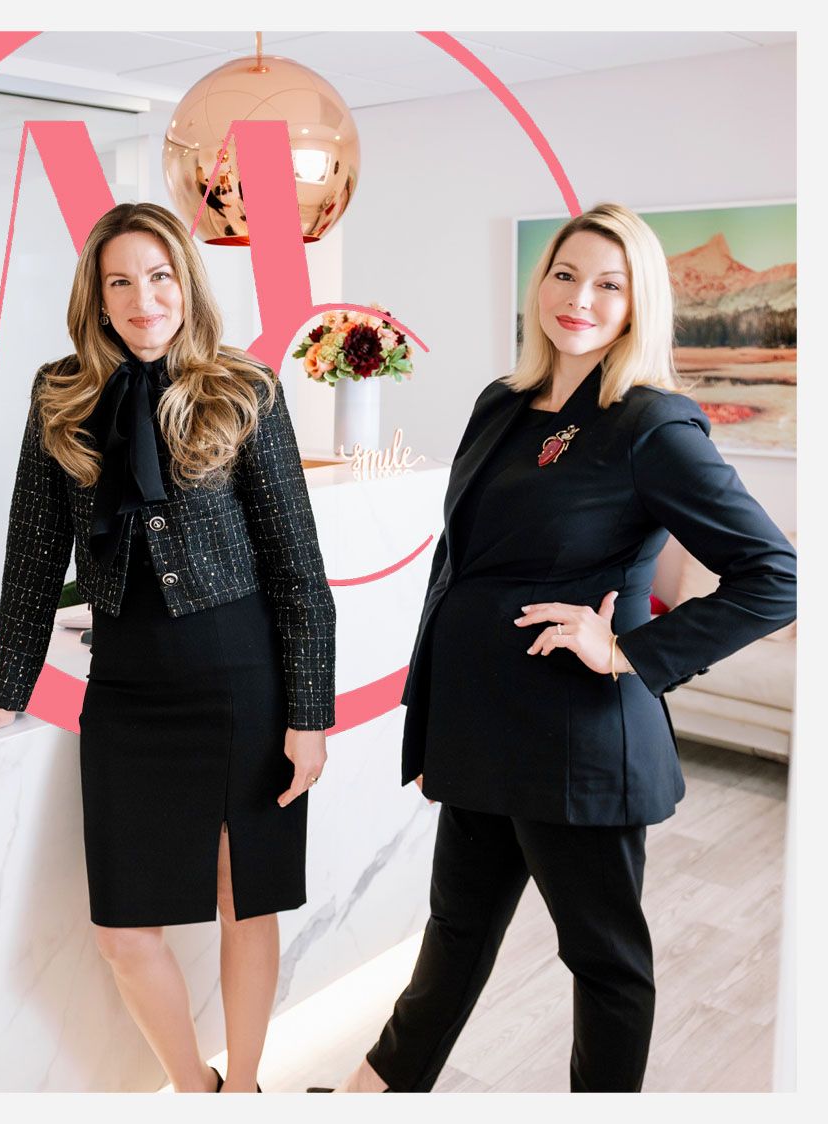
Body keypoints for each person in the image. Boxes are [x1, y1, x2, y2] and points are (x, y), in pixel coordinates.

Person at [319, 202, 796, 1093]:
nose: (579, 298)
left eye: (608, 285)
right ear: (539, 285)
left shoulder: (650, 425)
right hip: (480, 725)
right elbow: (456, 567)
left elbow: (775, 574)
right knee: (454, 934)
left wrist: (627, 651)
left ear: (637, 303)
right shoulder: (501, 403)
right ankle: (368, 1094)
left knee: (603, 962)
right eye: (565, 275)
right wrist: (432, 722)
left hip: (574, 736)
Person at [0, 201, 335, 1092]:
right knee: (121, 932)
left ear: (186, 283)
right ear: (96, 298)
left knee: (244, 902)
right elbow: (33, 551)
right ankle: (194, 1086)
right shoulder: (59, 393)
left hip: (241, 681)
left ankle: (244, 1090)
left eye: (160, 276)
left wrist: (308, 716)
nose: (145, 299)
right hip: (129, 690)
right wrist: (6, 689)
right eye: (121, 282)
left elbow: (297, 567)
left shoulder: (245, 387)